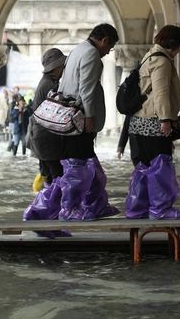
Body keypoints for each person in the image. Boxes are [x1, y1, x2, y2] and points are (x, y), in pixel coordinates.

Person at [56, 23, 120, 220]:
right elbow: (87, 89)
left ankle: (96, 205)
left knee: (87, 165)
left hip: (70, 115)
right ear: (104, 40)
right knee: (80, 165)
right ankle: (71, 209)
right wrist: (90, 117)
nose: (108, 52)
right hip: (79, 119)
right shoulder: (91, 54)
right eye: (109, 48)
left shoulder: (78, 50)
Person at [124, 25, 180, 219]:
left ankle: (137, 209)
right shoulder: (162, 62)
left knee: (142, 168)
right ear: (174, 44)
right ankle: (161, 210)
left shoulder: (148, 57)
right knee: (160, 167)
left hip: (137, 124)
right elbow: (161, 93)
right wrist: (166, 119)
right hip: (153, 123)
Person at [23, 48, 70, 235]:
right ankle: (45, 220)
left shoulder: (49, 82)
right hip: (46, 140)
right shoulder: (49, 85)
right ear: (56, 67)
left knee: (51, 179)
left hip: (42, 139)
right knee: (56, 178)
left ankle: (47, 220)